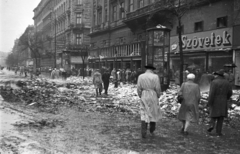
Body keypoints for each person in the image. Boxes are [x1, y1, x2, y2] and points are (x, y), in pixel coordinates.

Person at [137, 64, 162, 138]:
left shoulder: (141, 76)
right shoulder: (155, 76)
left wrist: (140, 95)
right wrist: (158, 95)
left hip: (144, 94)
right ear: (152, 70)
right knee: (153, 112)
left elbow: (138, 88)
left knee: (144, 112)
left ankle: (143, 131)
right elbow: (158, 88)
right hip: (152, 94)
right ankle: (152, 129)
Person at [207, 69, 232, 137]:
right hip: (223, 101)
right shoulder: (227, 82)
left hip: (215, 100)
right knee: (221, 117)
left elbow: (212, 93)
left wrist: (209, 102)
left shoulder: (214, 82)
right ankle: (218, 132)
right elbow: (230, 92)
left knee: (213, 114)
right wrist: (226, 98)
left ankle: (211, 125)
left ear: (217, 75)